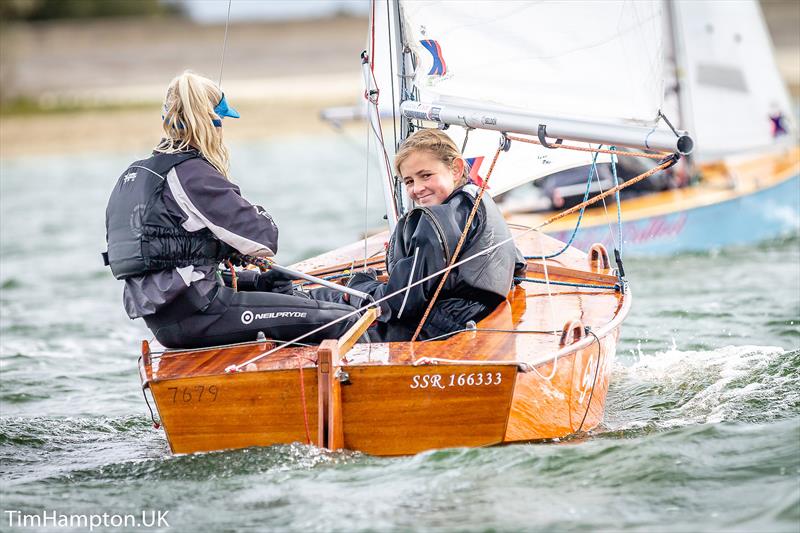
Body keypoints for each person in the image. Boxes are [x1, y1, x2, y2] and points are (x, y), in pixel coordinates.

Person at [103, 71, 360, 349]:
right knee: (345, 319)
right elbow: (264, 238)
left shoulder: (134, 175)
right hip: (201, 313)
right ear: (210, 122)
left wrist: (253, 279)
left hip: (165, 320)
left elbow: (171, 253)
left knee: (275, 288)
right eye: (221, 122)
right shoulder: (193, 174)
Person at [311, 129, 525, 342]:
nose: (418, 188)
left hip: (437, 330)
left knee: (319, 307)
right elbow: (518, 267)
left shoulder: (435, 221)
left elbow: (400, 303)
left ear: (456, 168)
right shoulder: (479, 199)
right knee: (328, 298)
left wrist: (359, 286)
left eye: (426, 175)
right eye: (409, 181)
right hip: (478, 319)